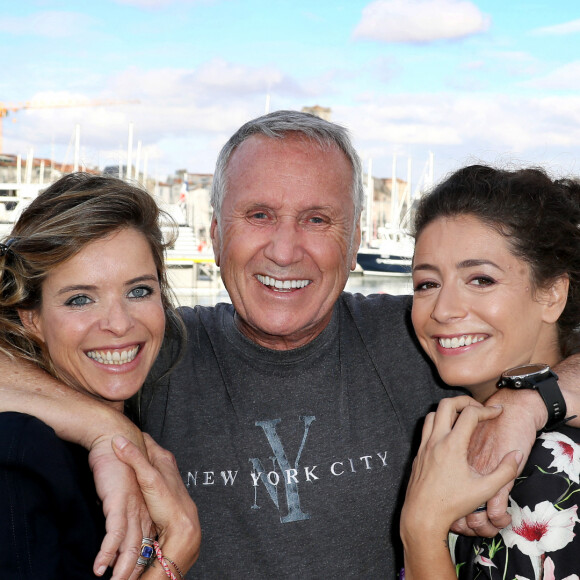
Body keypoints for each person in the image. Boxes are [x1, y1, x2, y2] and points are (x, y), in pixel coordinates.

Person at [0, 112, 579, 578]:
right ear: (215, 234)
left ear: (354, 243)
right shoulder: (151, 349)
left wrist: (531, 402)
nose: (284, 249)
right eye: (259, 215)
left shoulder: (426, 336)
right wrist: (108, 429)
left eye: (317, 219)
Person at [0, 173, 201, 579]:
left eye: (139, 291)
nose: (119, 323)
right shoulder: (17, 463)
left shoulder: (140, 427)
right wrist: (178, 545)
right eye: (80, 299)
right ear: (32, 318)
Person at [400, 165, 580, 579]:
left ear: (552, 294)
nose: (443, 310)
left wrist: (422, 528)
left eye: (480, 279)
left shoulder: (543, 469)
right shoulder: (484, 442)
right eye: (426, 284)